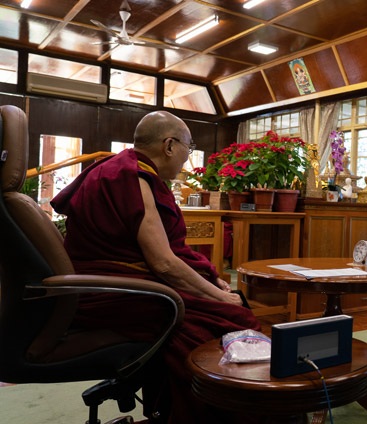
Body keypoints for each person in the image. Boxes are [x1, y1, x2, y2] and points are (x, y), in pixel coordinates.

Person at [50, 111, 261, 424]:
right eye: (189, 150)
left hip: (115, 283)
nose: (187, 160)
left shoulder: (125, 171)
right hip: (115, 292)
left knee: (221, 308)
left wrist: (209, 275)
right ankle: (227, 415)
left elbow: (170, 250)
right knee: (231, 318)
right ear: (170, 145)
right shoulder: (130, 177)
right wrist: (219, 297)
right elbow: (163, 263)